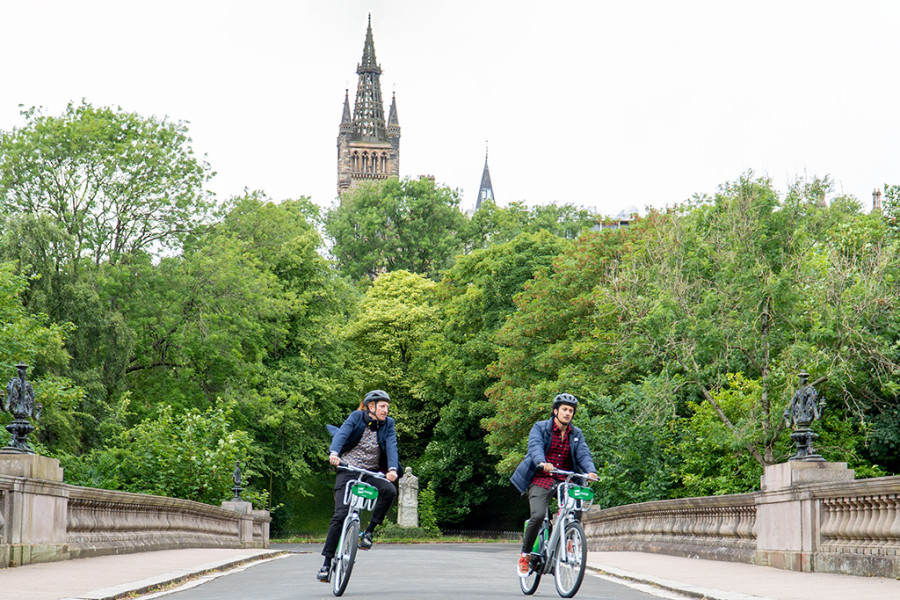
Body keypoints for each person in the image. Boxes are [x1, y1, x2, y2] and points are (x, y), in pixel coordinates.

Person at [510, 393, 598, 578]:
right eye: (564, 409)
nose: (567, 413)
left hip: (565, 478)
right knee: (539, 515)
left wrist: (590, 471)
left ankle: (568, 539)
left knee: (576, 507)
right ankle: (525, 555)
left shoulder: (576, 434)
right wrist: (542, 461)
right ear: (556, 411)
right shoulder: (540, 428)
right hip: (541, 477)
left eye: (571, 411)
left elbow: (583, 455)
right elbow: (535, 447)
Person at [317, 389, 400, 582]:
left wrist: (393, 469)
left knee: (389, 490)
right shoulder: (356, 417)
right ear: (371, 406)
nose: (386, 410)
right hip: (348, 470)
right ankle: (326, 564)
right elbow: (342, 434)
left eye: (387, 406)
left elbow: (391, 445)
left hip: (371, 472)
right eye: (382, 406)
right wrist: (334, 453)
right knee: (340, 515)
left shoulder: (389, 424)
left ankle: (369, 532)